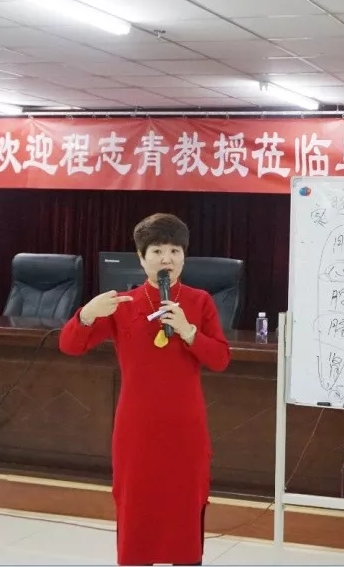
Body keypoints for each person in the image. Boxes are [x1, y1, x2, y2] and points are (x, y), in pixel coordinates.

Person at [59, 213, 231, 566]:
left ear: (184, 256)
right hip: (137, 427)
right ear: (141, 258)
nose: (167, 259)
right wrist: (87, 314)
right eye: (157, 251)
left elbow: (220, 359)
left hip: (185, 426)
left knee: (185, 503)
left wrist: (188, 331)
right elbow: (70, 346)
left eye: (175, 251)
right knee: (137, 503)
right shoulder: (123, 304)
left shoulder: (199, 301)